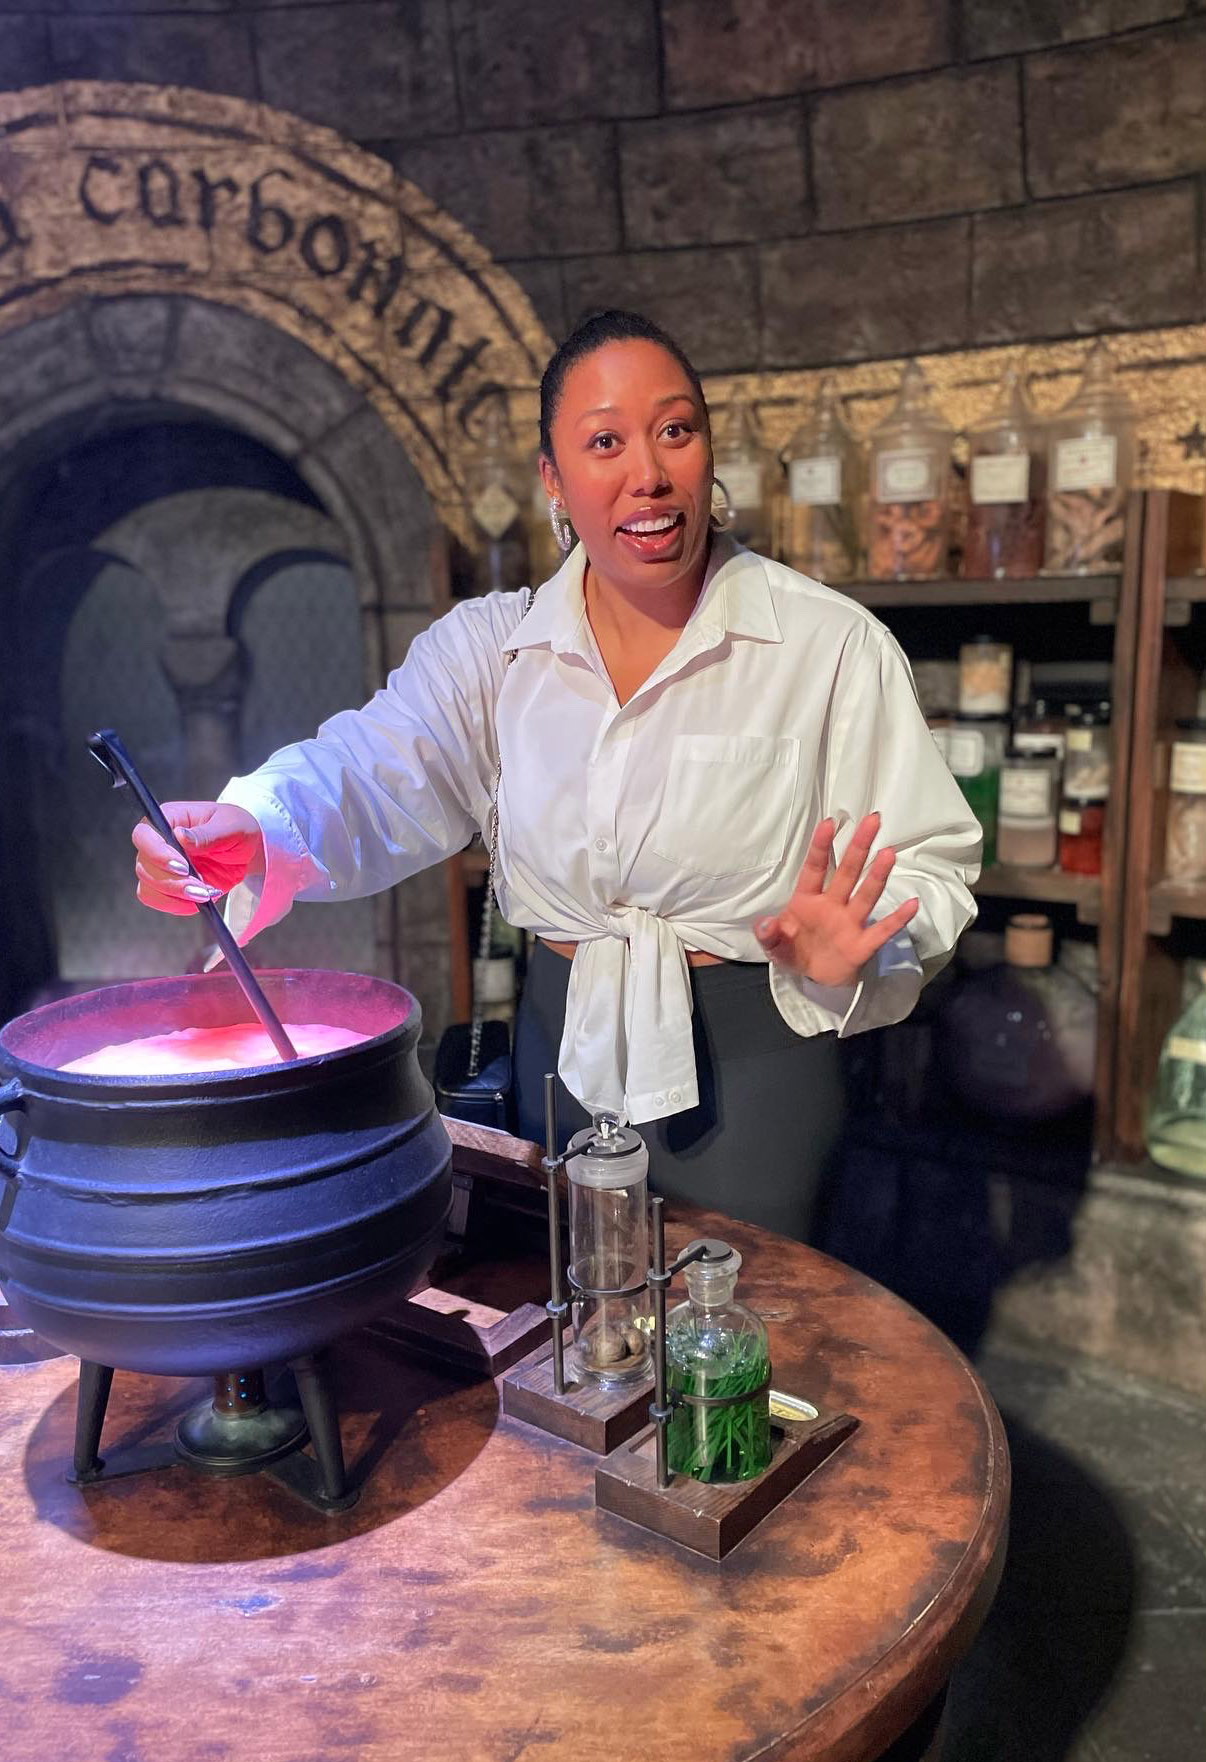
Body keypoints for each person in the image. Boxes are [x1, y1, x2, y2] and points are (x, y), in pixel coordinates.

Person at [133, 310, 980, 1239]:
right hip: (561, 1047)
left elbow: (929, 862)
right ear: (554, 480)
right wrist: (255, 820)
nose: (648, 473)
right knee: (575, 1307)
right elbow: (372, 766)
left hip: (761, 1062)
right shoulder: (496, 649)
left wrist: (865, 947)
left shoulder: (827, 645)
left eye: (676, 430)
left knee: (746, 1318)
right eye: (605, 442)